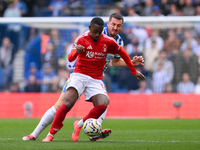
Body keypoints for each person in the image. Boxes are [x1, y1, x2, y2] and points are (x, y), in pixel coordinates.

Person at [22, 13, 144, 142]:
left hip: (97, 77)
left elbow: (114, 62)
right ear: (107, 24)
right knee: (61, 104)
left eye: (118, 26)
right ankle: (35, 134)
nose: (115, 27)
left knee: (104, 102)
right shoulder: (89, 34)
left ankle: (92, 130)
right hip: (79, 73)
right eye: (113, 24)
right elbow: (71, 56)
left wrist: (132, 63)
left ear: (121, 27)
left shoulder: (118, 41)